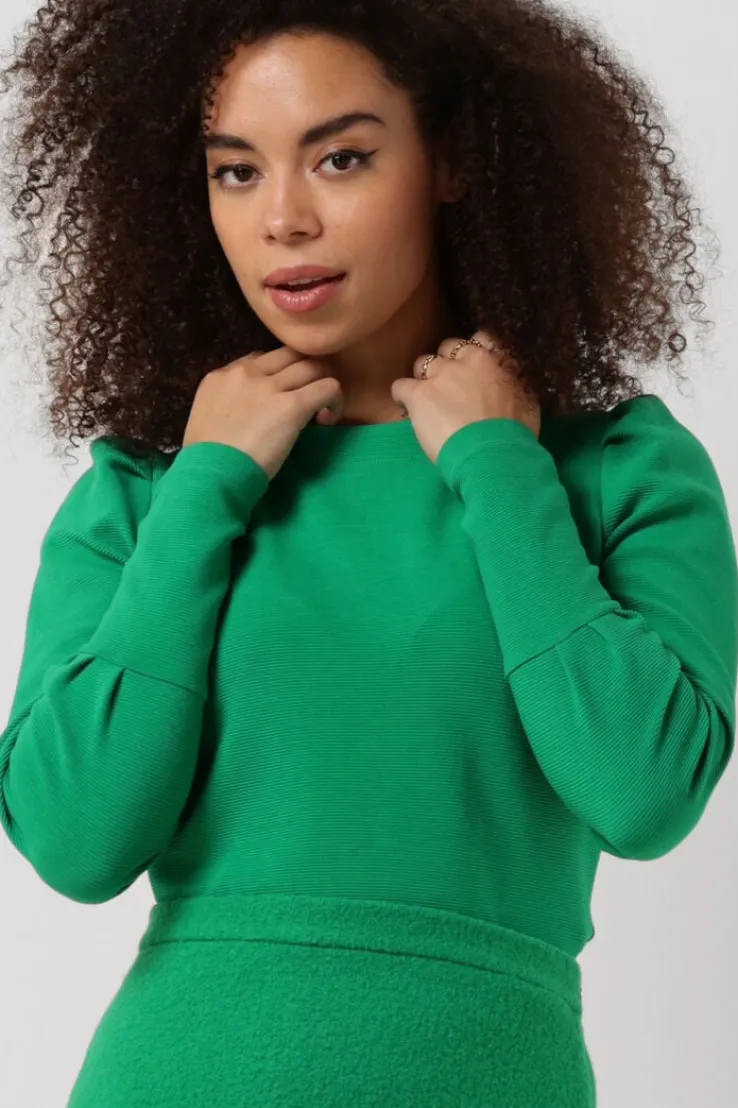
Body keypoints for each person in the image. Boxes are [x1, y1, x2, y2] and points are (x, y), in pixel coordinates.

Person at [0, 1, 736, 1105]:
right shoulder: (147, 490)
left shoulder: (614, 469)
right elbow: (76, 839)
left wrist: (499, 468)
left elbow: (643, 793)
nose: (282, 219)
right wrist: (204, 490)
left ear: (452, 158)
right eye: (236, 171)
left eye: (340, 158)